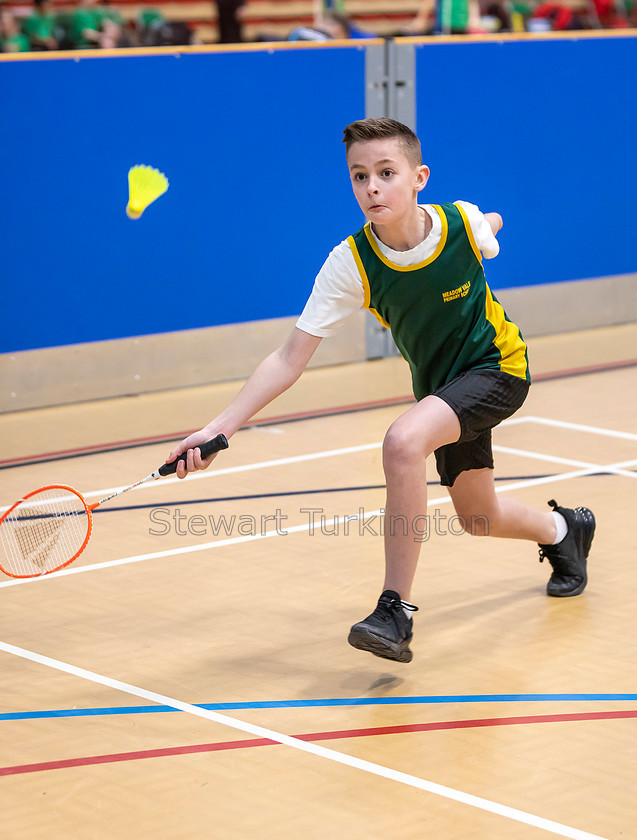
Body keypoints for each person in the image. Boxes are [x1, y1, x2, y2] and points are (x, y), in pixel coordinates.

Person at [166, 117, 595, 664]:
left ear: (419, 178)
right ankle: (565, 530)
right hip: (444, 389)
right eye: (359, 175)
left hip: (500, 368)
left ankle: (395, 610)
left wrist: (486, 224)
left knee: (401, 441)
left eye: (386, 173)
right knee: (478, 517)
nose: (371, 187)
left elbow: (485, 221)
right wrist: (216, 428)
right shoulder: (351, 264)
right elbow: (288, 358)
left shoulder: (459, 221)